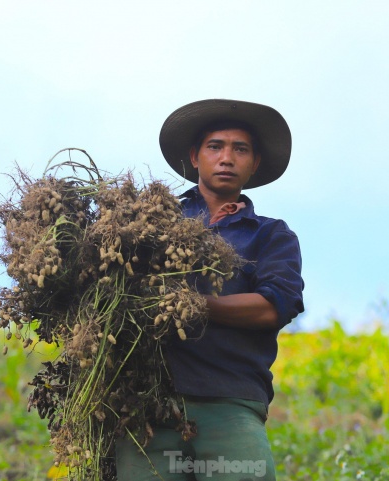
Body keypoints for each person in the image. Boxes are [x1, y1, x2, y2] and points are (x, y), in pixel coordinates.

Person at [116, 99, 304, 480]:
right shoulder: (152, 220)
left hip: (230, 405)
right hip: (147, 408)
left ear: (254, 164)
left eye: (241, 149)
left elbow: (274, 306)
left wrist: (194, 304)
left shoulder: (270, 234)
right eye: (215, 147)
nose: (227, 158)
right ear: (195, 157)